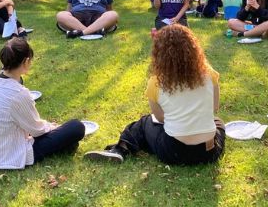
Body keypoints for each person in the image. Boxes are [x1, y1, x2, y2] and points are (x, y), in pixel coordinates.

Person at [84, 25, 225, 165]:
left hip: (173, 152)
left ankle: (120, 150)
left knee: (144, 123)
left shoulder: (156, 82)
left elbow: (159, 117)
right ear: (194, 49)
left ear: (160, 54)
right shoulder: (209, 74)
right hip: (209, 152)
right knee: (218, 123)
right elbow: (214, 107)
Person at [0, 37, 85, 169]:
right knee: (76, 127)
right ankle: (66, 144)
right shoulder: (17, 93)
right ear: (26, 61)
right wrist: (53, 127)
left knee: (62, 135)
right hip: (7, 155)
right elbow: (36, 130)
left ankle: (66, 144)